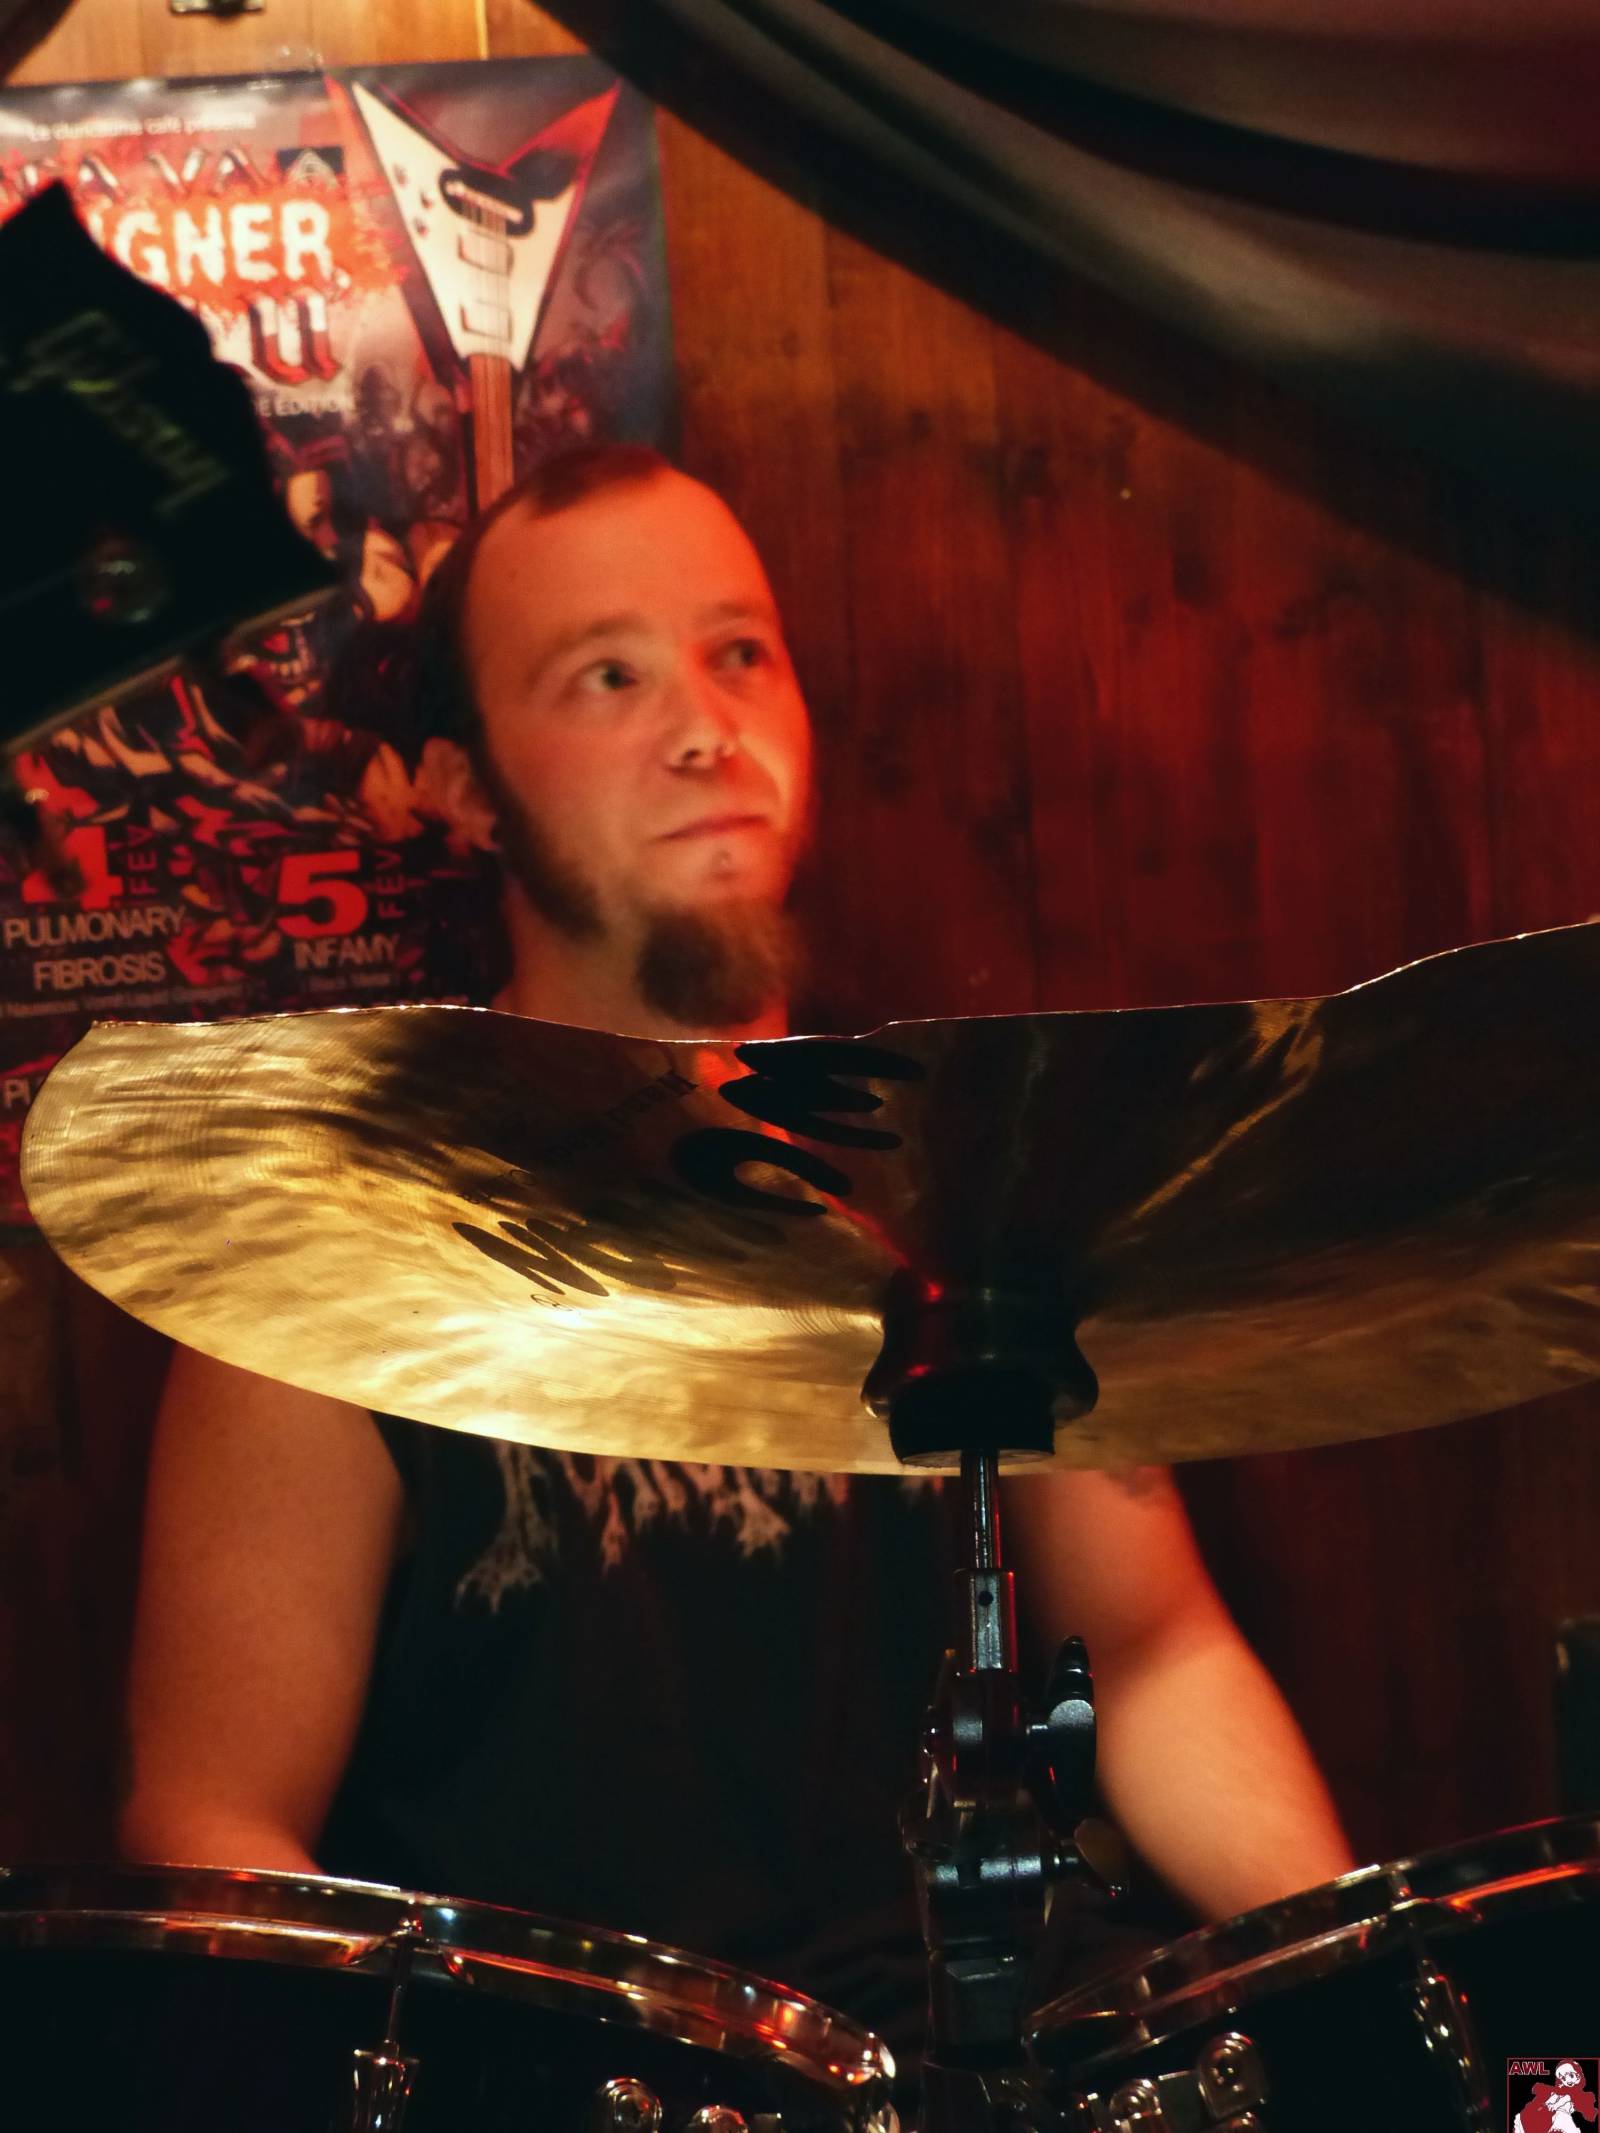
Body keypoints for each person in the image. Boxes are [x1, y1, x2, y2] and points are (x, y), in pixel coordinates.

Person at [118, 445, 1352, 2054]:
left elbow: (1152, 1651)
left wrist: (1365, 1989)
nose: (706, 726)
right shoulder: (334, 1249)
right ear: (468, 789)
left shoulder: (963, 1186)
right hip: (593, 2074)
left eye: (741, 653)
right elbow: (211, 1819)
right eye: (608, 674)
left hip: (999, 2054)